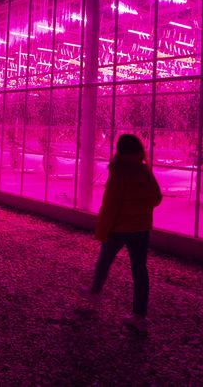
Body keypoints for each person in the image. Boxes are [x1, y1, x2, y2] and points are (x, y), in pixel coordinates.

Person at [80, 134, 162, 334]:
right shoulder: (144, 170)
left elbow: (111, 204)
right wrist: (140, 209)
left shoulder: (118, 171)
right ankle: (139, 315)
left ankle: (95, 292)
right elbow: (157, 197)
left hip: (118, 228)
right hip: (141, 228)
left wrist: (102, 229)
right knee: (140, 271)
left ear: (120, 149)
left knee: (104, 261)